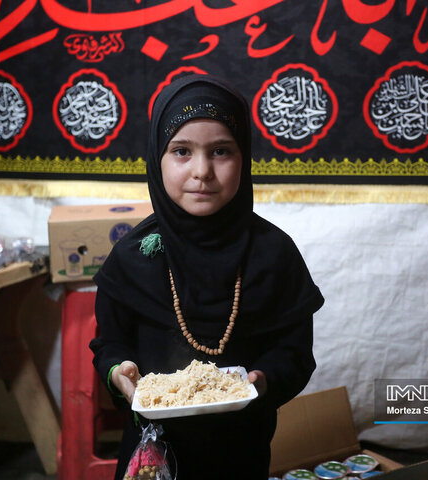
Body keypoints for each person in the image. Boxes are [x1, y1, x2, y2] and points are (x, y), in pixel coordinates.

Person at [90, 74, 324, 480]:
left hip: (241, 450)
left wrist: (262, 380)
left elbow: (294, 352)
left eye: (220, 151)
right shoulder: (131, 259)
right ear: (155, 159)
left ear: (245, 157)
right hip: (151, 456)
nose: (202, 171)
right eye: (181, 151)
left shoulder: (272, 254)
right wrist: (118, 371)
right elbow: (109, 342)